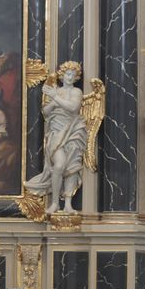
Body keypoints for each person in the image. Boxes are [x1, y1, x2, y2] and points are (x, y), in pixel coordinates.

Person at [24, 61, 87, 215]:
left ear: (77, 77)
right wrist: (53, 99)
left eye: (73, 74)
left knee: (71, 167)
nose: (70, 77)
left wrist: (55, 97)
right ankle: (54, 203)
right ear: (62, 75)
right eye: (67, 74)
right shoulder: (55, 91)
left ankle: (68, 204)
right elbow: (45, 112)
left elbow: (73, 107)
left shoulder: (76, 92)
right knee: (59, 165)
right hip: (56, 132)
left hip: (73, 131)